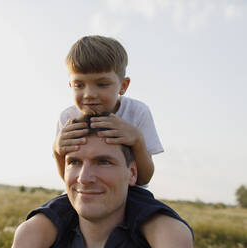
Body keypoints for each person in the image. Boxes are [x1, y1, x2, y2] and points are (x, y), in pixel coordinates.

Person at [12, 35, 193, 247]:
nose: (89, 94)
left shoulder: (137, 112)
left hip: (133, 192)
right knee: (39, 225)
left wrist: (137, 140)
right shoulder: (67, 117)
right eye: (79, 85)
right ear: (70, 84)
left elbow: (143, 177)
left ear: (123, 86)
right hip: (76, 196)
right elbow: (67, 176)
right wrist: (56, 150)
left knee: (161, 227)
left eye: (102, 84)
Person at [13, 115, 193, 247]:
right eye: (74, 162)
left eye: (104, 162)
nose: (84, 178)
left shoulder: (166, 236)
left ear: (132, 173)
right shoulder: (34, 235)